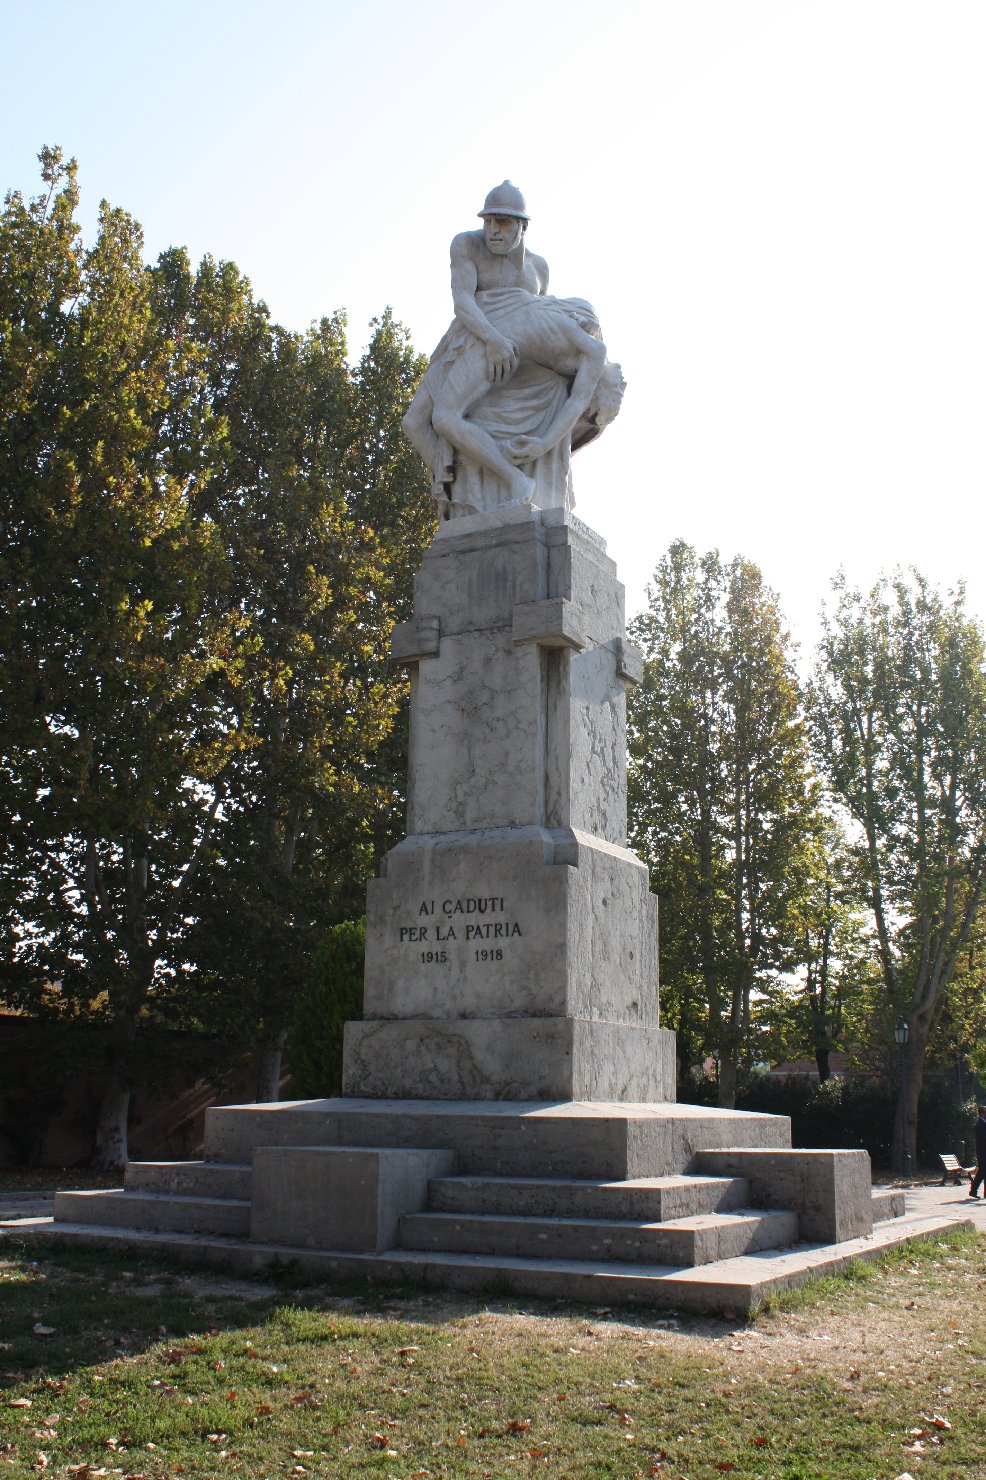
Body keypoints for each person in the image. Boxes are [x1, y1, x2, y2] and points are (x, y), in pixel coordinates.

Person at [402, 181, 619, 510]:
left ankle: (496, 487)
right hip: (474, 336)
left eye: (503, 222)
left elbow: (562, 378)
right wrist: (493, 340)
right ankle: (460, 502)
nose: (493, 231)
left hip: (507, 355)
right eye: (488, 221)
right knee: (414, 422)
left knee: (443, 416)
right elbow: (462, 301)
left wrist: (544, 440)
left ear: (522, 226)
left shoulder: (539, 270)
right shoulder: (466, 245)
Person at [970, 1103, 986, 1198]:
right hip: (982, 1152)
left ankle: (975, 1191)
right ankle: (973, 1190)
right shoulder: (979, 1124)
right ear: (981, 1114)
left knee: (983, 1171)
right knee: (982, 1172)